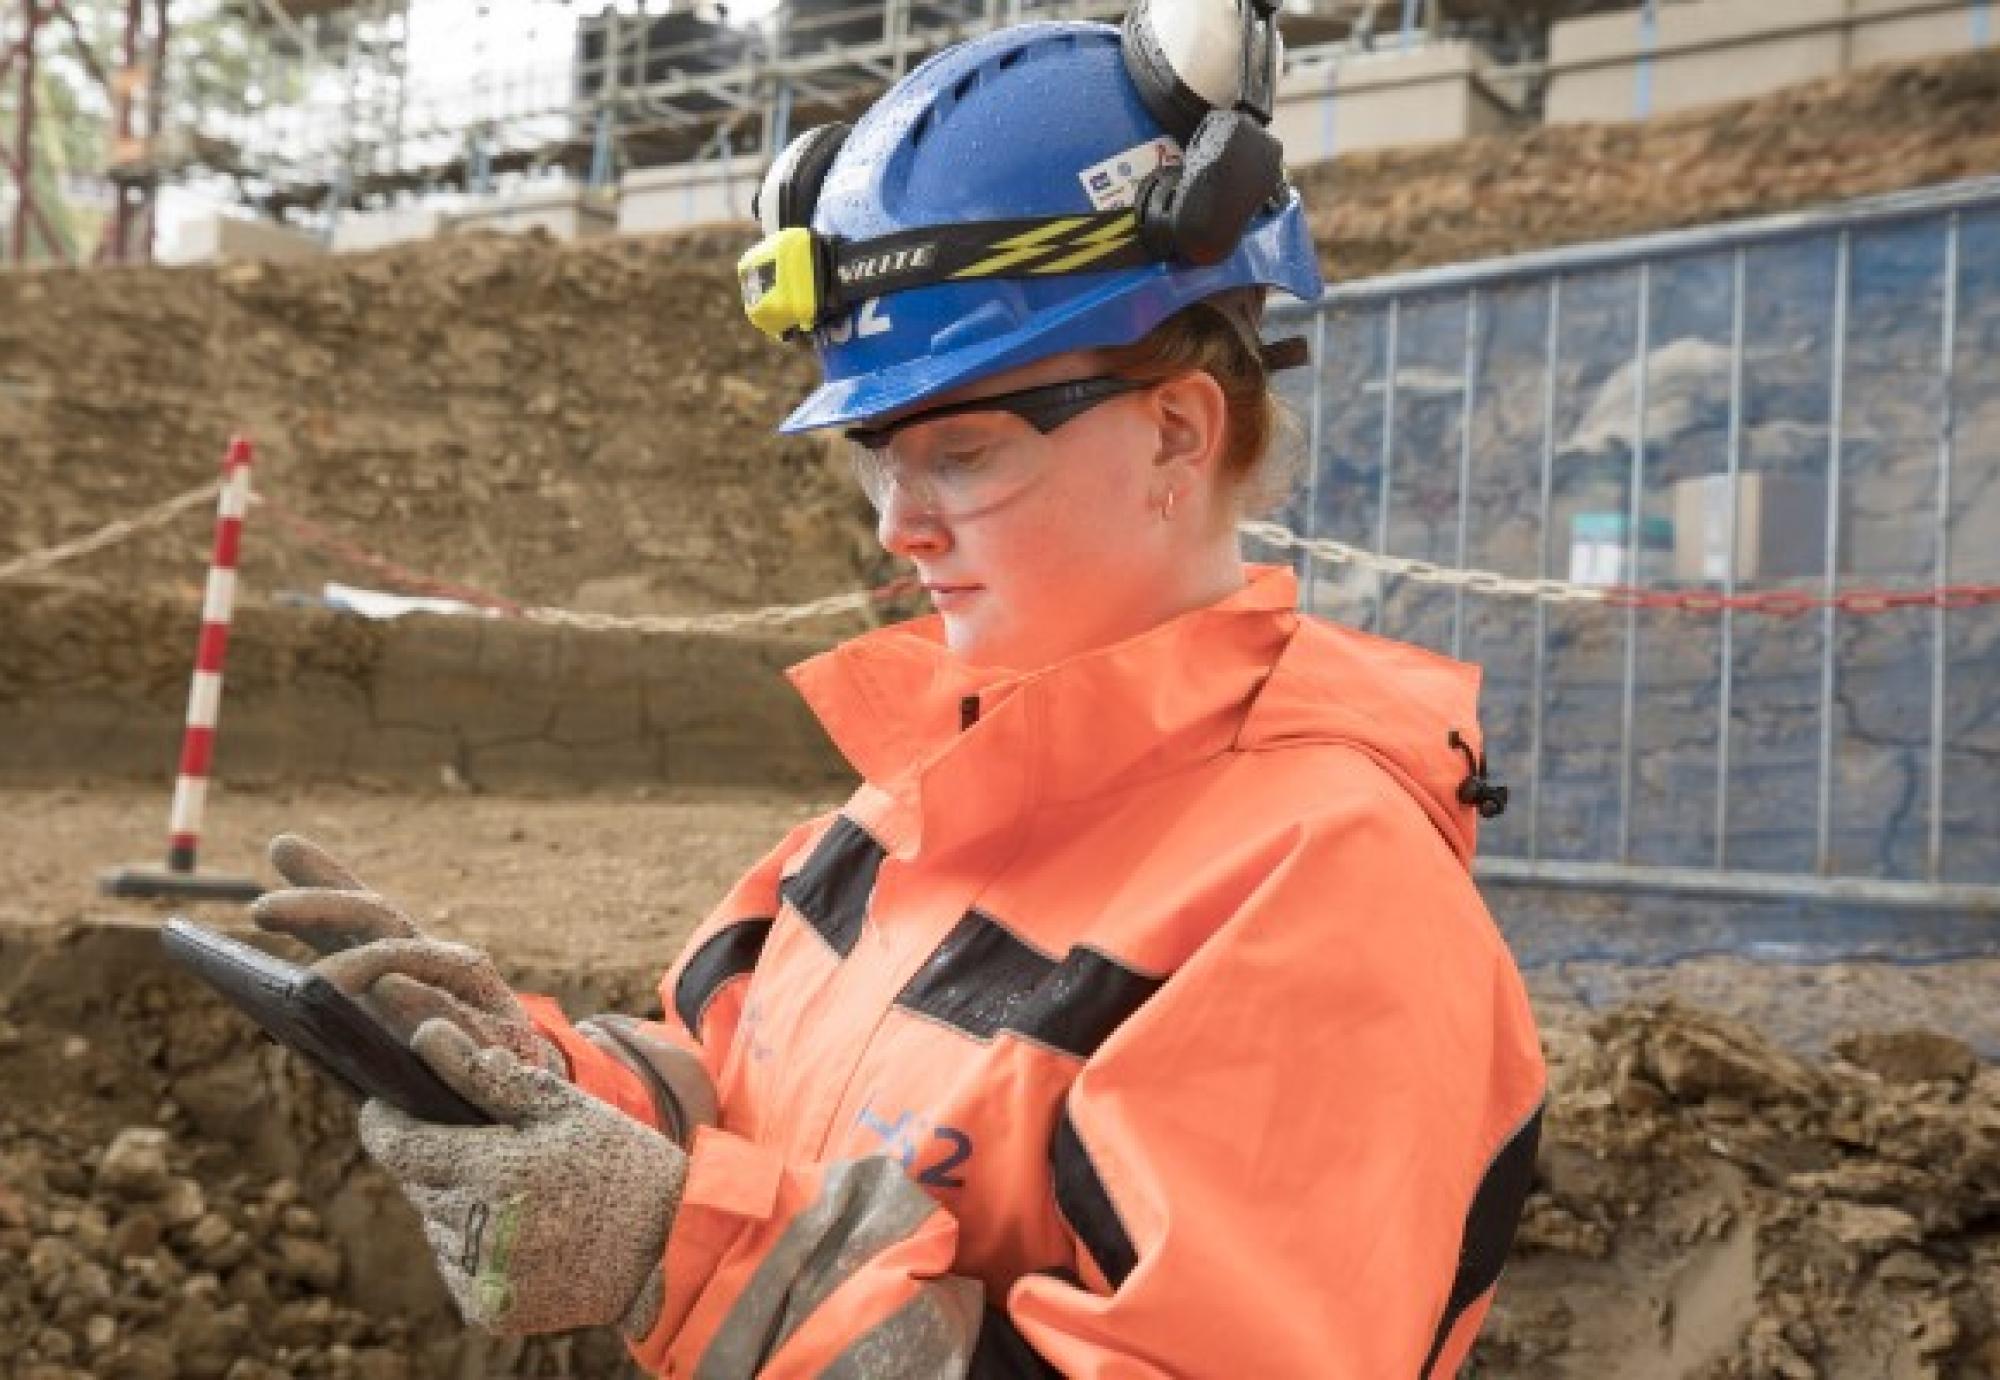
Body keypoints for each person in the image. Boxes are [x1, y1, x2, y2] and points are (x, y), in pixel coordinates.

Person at [251, 16, 1546, 1378]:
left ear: (1176, 426)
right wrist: (543, 1084)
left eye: (964, 453)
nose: (900, 528)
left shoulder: (1326, 894)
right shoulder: (916, 800)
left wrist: (668, 1251)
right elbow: (744, 1104)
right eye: (881, 458)